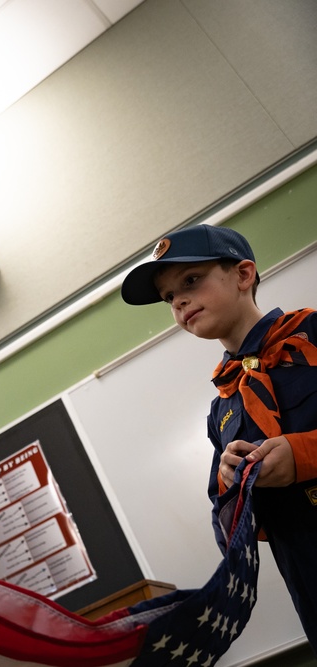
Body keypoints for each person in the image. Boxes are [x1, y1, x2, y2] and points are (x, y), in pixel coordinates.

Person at [121, 224, 317, 650]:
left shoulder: (312, 337)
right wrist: (233, 484)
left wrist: (302, 456)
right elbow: (228, 531)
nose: (180, 302)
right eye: (169, 297)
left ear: (244, 274)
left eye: (191, 281)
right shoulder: (223, 409)